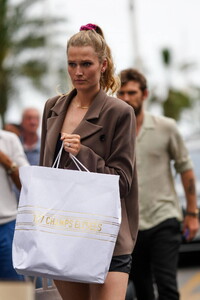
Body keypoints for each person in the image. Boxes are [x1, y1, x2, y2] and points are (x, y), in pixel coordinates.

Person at [40, 24, 138, 300]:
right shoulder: (52, 107)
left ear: (103, 64)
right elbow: (47, 173)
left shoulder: (119, 112)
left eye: (86, 64)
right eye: (72, 64)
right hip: (63, 232)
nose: (78, 72)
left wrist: (83, 152)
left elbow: (123, 182)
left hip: (106, 234)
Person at [117, 68, 199, 300]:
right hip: (131, 226)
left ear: (144, 94)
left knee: (167, 286)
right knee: (142, 290)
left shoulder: (166, 127)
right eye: (120, 93)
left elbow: (185, 169)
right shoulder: (113, 133)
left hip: (164, 218)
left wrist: (192, 213)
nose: (125, 98)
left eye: (131, 92)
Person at [0, 129, 29, 280]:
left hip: (6, 227)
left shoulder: (8, 140)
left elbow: (27, 186)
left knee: (12, 292)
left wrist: (8, 163)